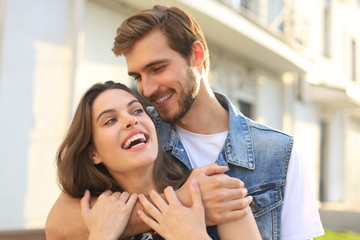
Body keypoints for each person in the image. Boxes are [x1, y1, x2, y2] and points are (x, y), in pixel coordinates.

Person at [46, 4, 324, 240]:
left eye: (157, 68)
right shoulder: (141, 140)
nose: (147, 89)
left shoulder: (276, 152)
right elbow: (58, 225)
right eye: (138, 76)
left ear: (197, 56)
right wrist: (183, 201)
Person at [54, 80, 261, 240]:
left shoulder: (216, 193)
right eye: (110, 120)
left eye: (137, 110)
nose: (131, 120)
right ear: (93, 154)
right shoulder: (93, 217)